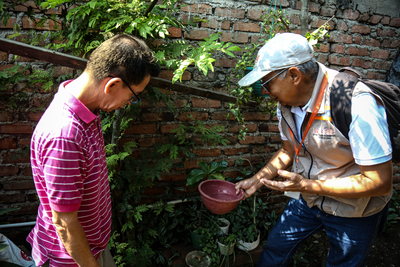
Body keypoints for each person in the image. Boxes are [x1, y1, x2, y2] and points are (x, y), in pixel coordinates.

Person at [235, 33, 393, 267]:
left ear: (293, 75)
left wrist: (305, 185)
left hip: (355, 210)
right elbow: (288, 151)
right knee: (276, 249)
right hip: (309, 198)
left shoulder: (357, 103)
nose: (265, 92)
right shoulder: (287, 104)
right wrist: (257, 180)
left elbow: (379, 181)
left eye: (266, 83)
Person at [27, 34, 160, 267]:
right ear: (113, 85)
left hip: (89, 248)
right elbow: (65, 223)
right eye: (132, 96)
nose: (129, 103)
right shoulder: (64, 136)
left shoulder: (86, 111)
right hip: (71, 260)